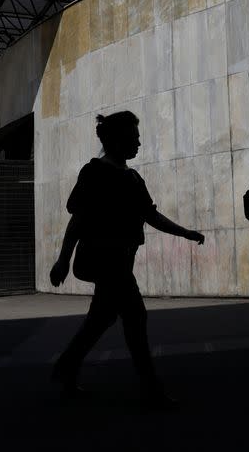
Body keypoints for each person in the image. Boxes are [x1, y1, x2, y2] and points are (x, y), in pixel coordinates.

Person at [49, 111, 205, 407]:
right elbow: (78, 219)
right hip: (106, 264)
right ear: (115, 139)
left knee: (100, 320)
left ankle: (66, 367)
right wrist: (62, 260)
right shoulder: (94, 172)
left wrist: (184, 232)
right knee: (136, 317)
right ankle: (152, 389)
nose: (139, 143)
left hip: (121, 262)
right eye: (133, 138)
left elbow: (151, 215)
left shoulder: (133, 177)